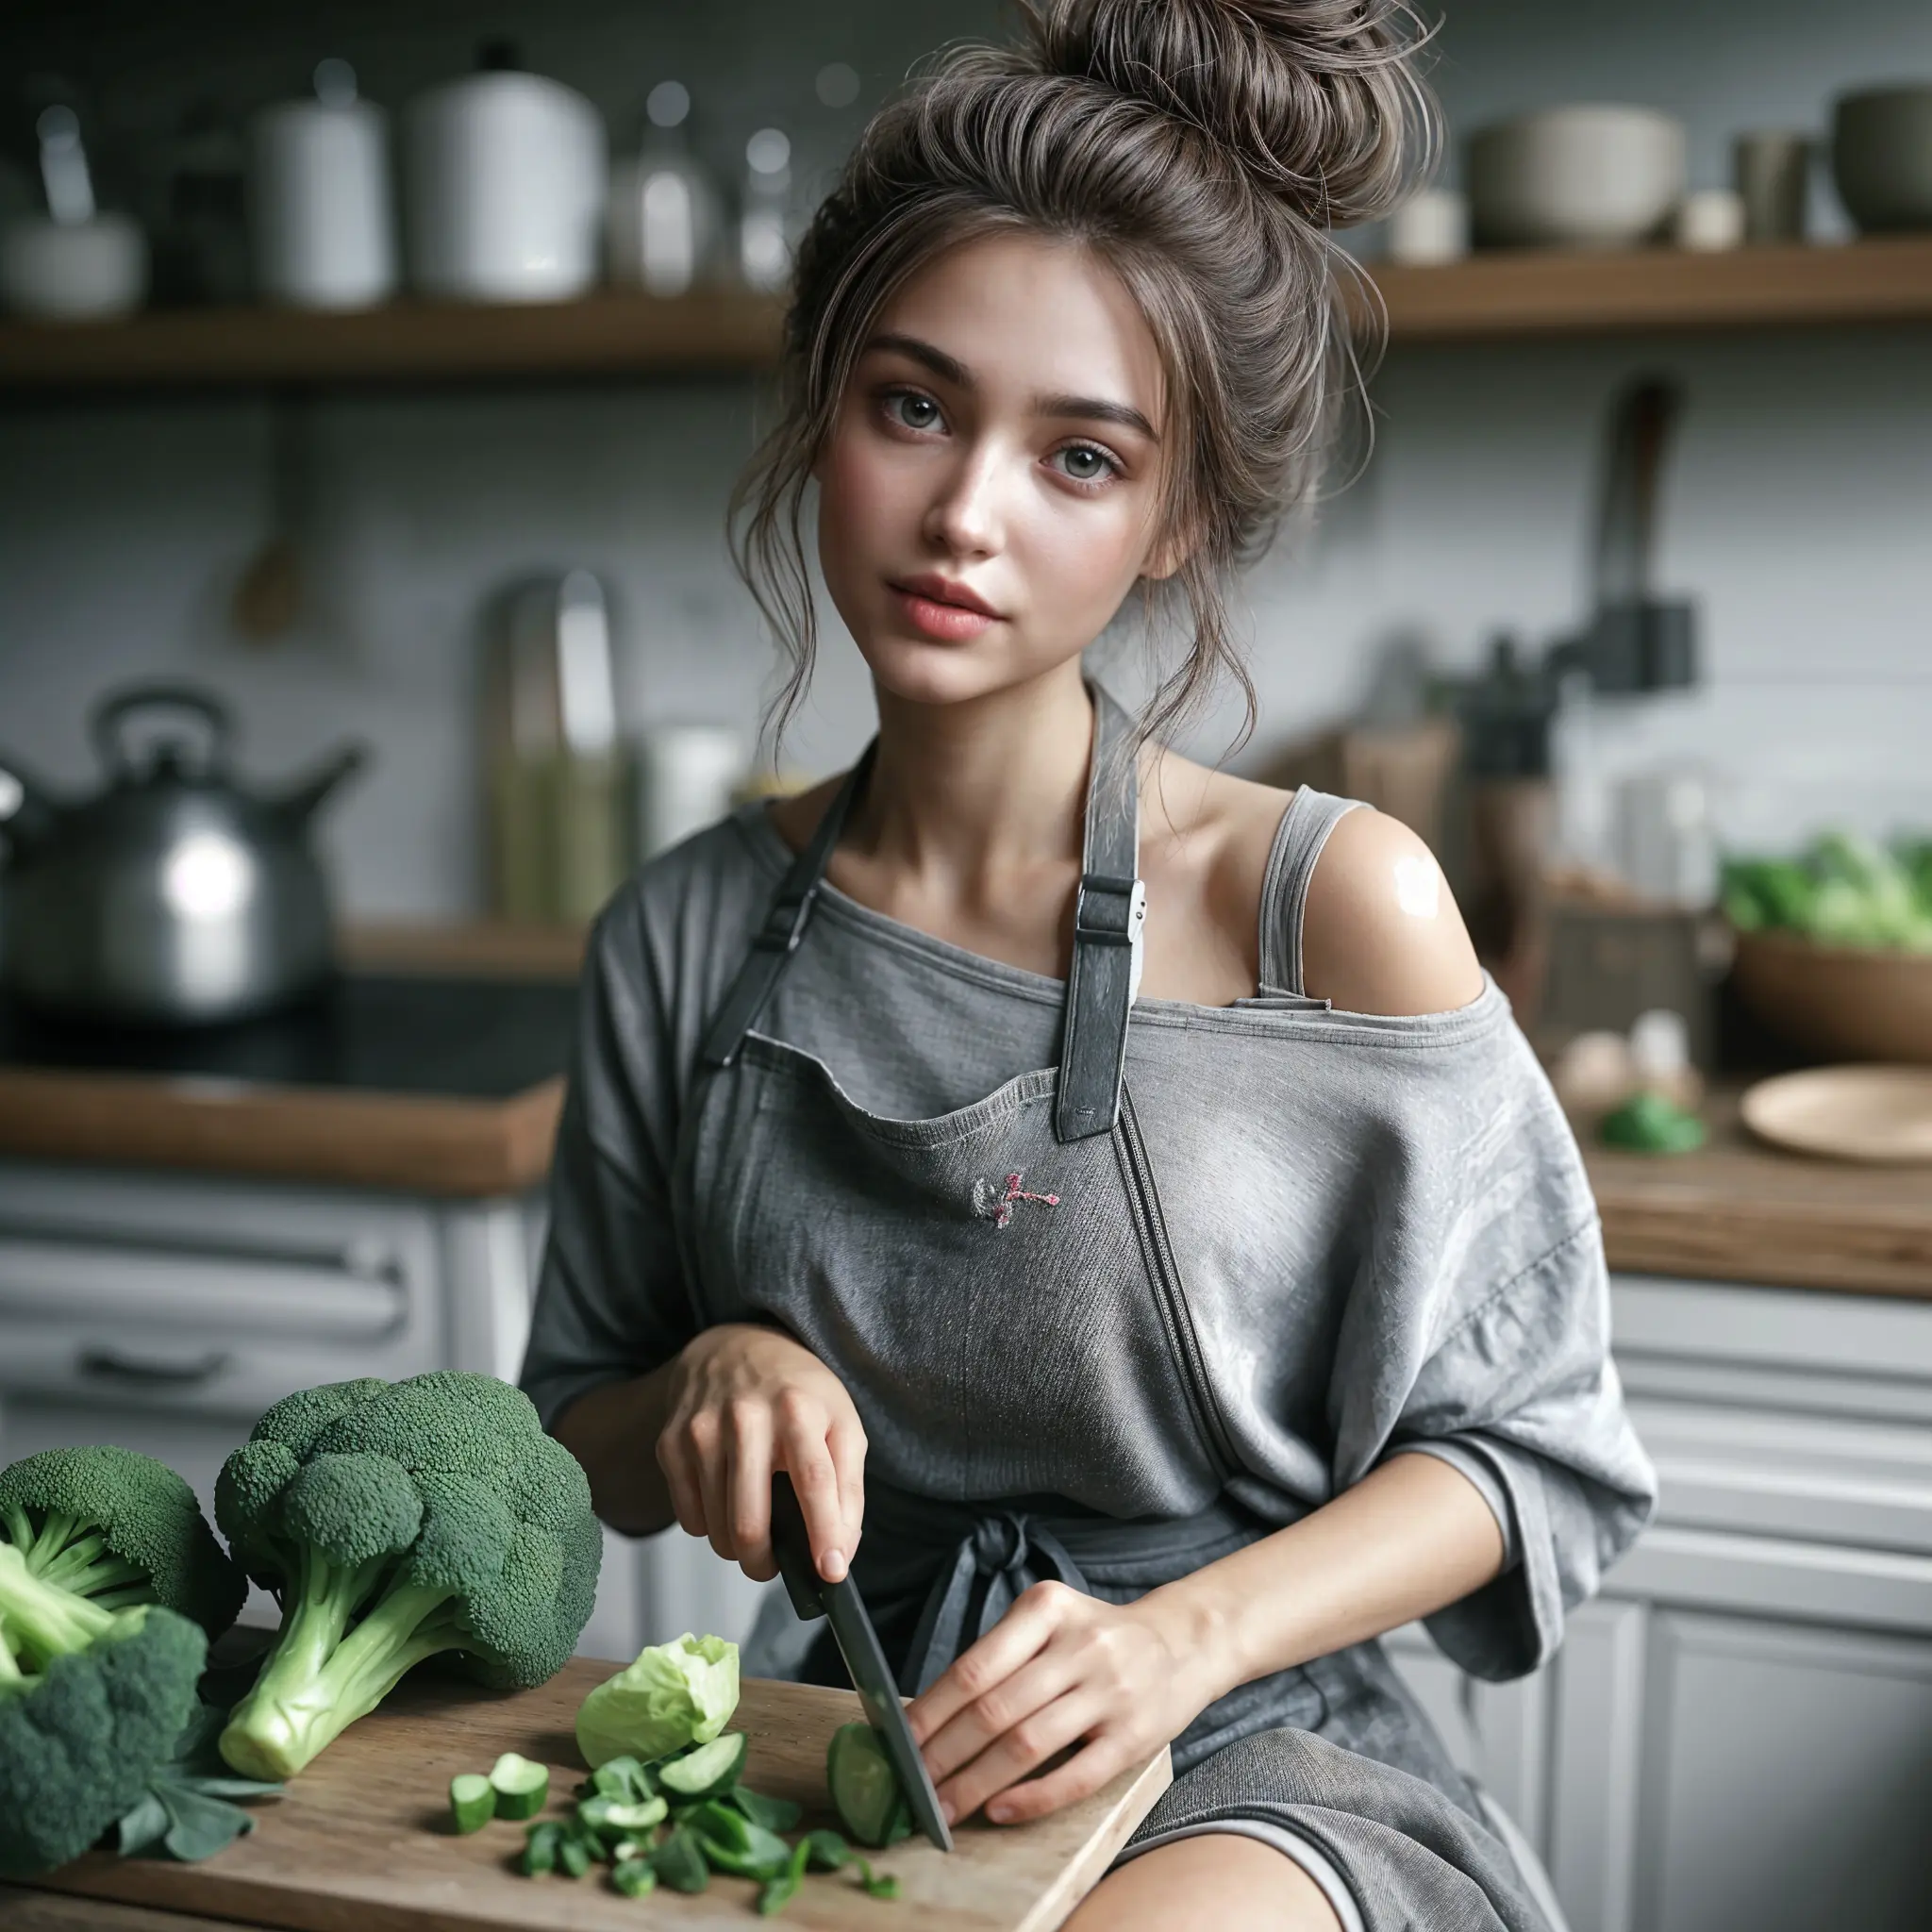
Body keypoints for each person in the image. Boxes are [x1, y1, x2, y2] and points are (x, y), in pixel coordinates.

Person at [520, 4, 1656, 1925]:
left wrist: (1170, 1644)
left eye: (1076, 456)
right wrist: (701, 1377)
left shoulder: (1330, 903)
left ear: (1174, 517)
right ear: (824, 406)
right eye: (913, 407)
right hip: (862, 1760)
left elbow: (1535, 1455)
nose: (966, 512)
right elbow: (583, 1448)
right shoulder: (681, 938)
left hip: (1257, 1763)